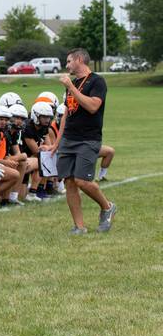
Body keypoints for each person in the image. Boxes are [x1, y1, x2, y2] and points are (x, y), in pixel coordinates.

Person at [57, 48, 116, 233]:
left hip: (88, 139)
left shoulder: (97, 81)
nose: (66, 66)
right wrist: (56, 142)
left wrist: (71, 88)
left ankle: (107, 207)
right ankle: (79, 226)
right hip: (69, 139)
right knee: (69, 182)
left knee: (82, 181)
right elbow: (66, 113)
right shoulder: (73, 83)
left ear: (80, 59)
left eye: (69, 61)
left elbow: (92, 106)